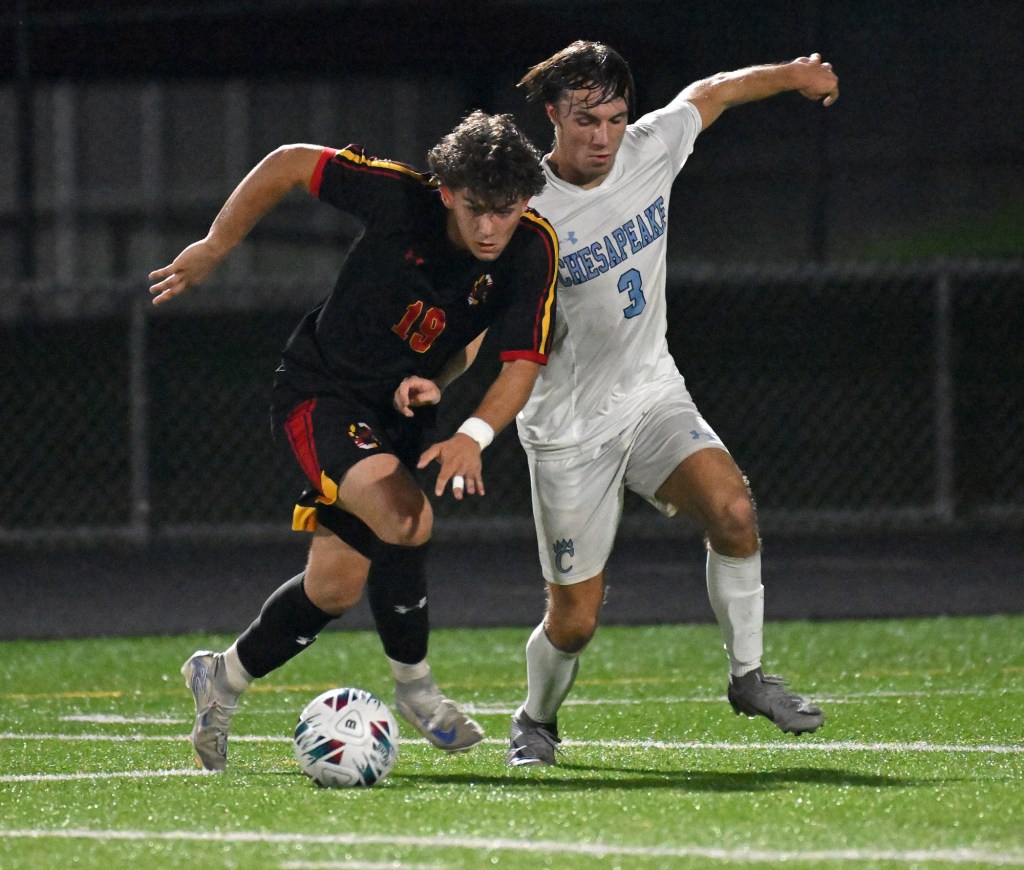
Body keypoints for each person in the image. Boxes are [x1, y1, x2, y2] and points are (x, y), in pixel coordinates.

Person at [148, 110, 558, 771]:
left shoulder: (533, 247)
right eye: (476, 209)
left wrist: (458, 413)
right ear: (447, 192)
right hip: (322, 391)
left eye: (505, 211)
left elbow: (518, 362)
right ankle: (416, 689)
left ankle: (220, 678)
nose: (490, 228)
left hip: (399, 416)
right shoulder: (400, 197)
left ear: (527, 201)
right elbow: (288, 160)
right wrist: (215, 246)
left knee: (334, 589)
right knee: (407, 519)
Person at [506, 42, 839, 766]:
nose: (604, 137)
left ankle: (748, 676)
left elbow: (712, 90)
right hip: (568, 432)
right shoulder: (524, 208)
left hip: (652, 394)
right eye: (586, 120)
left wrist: (793, 76)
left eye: (616, 119)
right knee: (574, 622)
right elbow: (480, 312)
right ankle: (535, 719)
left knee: (733, 511)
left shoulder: (649, 151)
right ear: (553, 114)